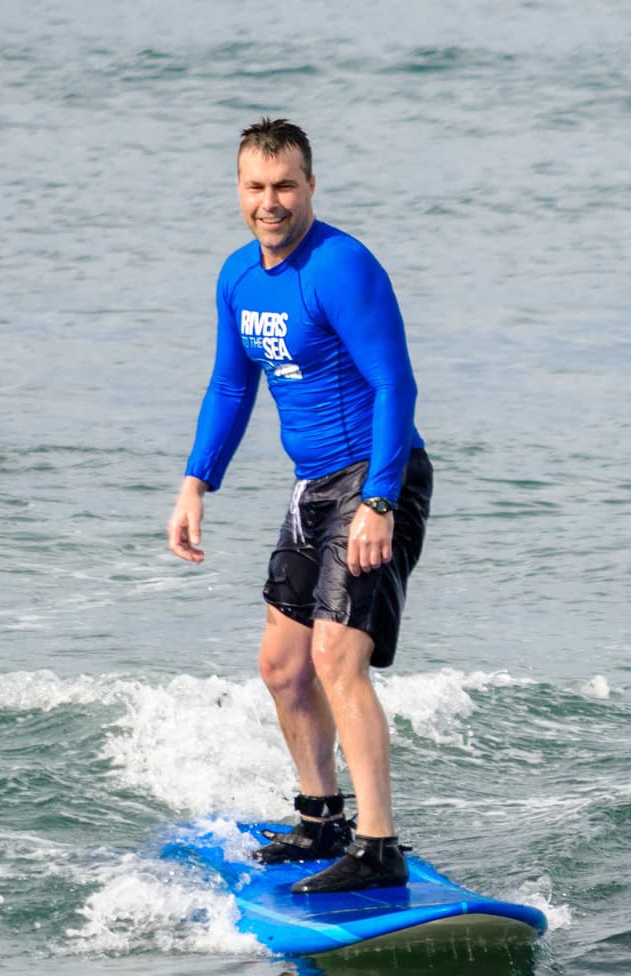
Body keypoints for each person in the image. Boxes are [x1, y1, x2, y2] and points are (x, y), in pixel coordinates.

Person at [166, 118, 433, 894]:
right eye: (256, 187)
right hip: (310, 485)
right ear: (239, 190)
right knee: (282, 666)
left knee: (335, 658)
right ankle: (322, 817)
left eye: (285, 186)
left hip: (375, 477)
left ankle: (379, 847)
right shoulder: (238, 278)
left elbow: (396, 384)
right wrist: (196, 483)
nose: (270, 203)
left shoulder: (342, 268)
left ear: (311, 185)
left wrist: (380, 500)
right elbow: (229, 386)